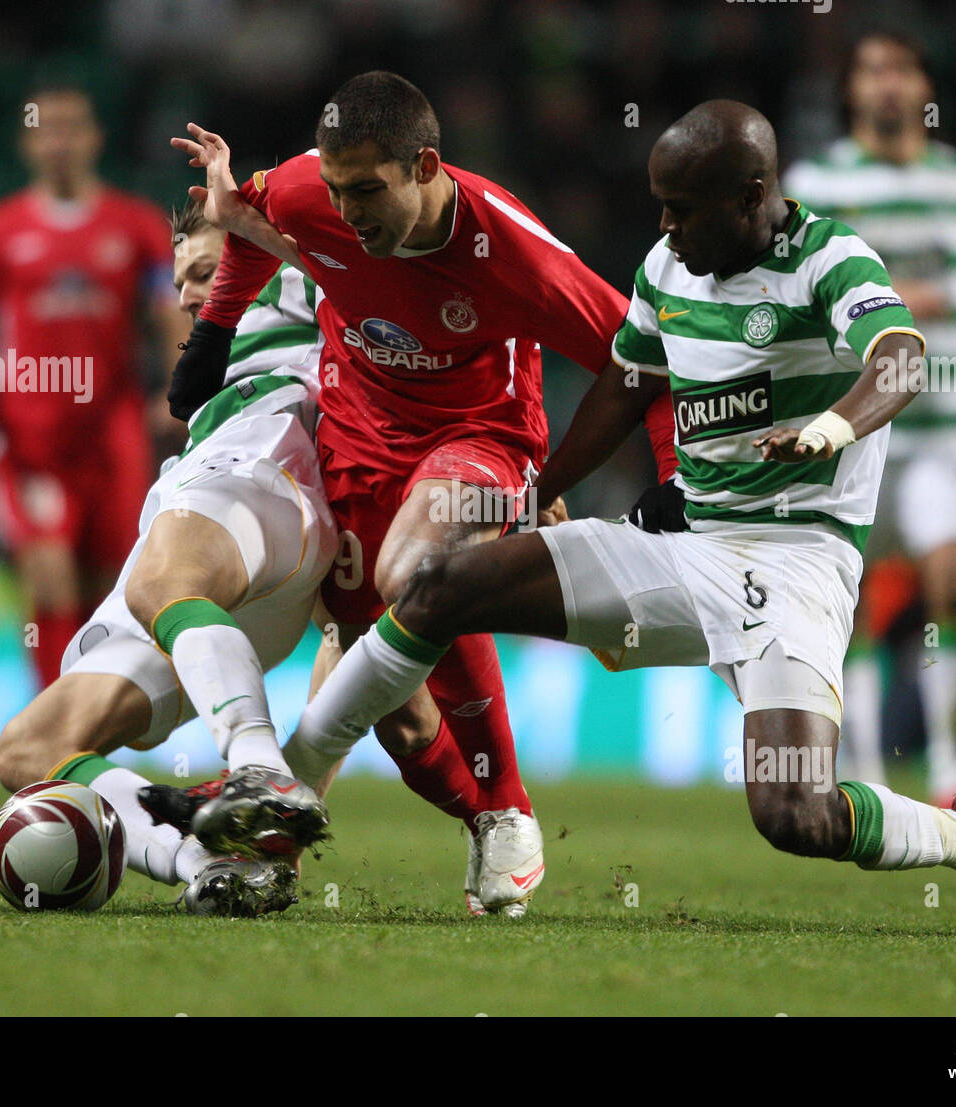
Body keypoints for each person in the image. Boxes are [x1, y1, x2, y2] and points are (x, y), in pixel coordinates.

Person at [276, 101, 956, 939]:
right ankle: (287, 782)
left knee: (794, 810)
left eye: (684, 208)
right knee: (437, 586)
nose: (666, 227)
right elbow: (624, 384)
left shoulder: (831, 259)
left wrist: (834, 426)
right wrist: (544, 484)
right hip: (684, 550)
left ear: (752, 195)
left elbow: (901, 354)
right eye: (660, 204)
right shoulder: (669, 270)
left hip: (794, 565)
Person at [169, 71, 676, 916]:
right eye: (337, 191)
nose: (348, 212)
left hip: (482, 437)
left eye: (368, 191)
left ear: (426, 166)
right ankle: (486, 816)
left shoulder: (511, 248)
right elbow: (251, 221)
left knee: (415, 568)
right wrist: (213, 331)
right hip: (358, 436)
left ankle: (500, 804)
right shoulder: (311, 192)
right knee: (397, 706)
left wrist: (672, 481)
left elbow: (641, 359)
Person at [0, 197, 336, 917]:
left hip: (267, 477)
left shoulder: (307, 282)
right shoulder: (205, 376)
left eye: (206, 271)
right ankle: (204, 864)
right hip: (197, 509)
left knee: (160, 579)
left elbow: (349, 256)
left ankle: (256, 767)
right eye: (180, 279)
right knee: (31, 747)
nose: (184, 295)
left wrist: (242, 198)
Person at [782, 32, 956, 801]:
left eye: (902, 69)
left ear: (924, 82)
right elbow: (799, 302)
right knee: (849, 598)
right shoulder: (816, 180)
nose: (888, 86)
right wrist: (891, 298)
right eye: (871, 72)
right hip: (857, 420)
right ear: (852, 91)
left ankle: (955, 772)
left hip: (953, 418)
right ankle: (861, 767)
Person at [0, 85, 190, 691]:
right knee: (49, 574)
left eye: (71, 128)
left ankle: (90, 712)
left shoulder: (134, 225)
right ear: (27, 143)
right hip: (29, 430)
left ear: (94, 138)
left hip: (111, 429)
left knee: (109, 582)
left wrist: (177, 386)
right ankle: (52, 717)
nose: (59, 141)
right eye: (45, 129)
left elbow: (169, 312)